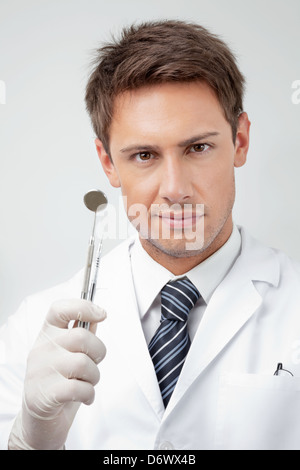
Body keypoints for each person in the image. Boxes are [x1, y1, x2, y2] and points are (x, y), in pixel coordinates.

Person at [1, 19, 300, 451]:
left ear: (240, 140)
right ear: (108, 164)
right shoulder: (33, 331)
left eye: (197, 147)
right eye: (144, 155)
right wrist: (30, 440)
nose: (175, 189)